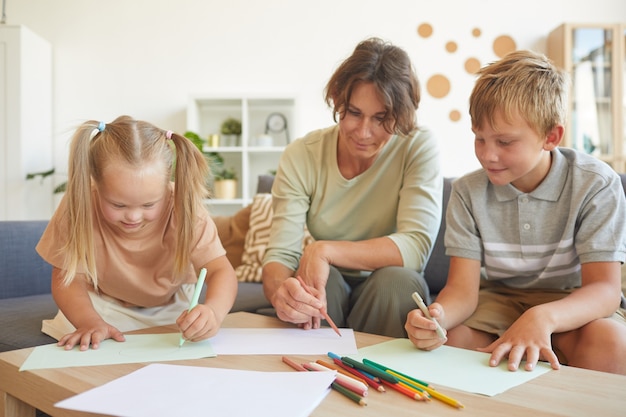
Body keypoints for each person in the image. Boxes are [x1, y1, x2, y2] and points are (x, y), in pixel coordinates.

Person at [405, 50, 626, 375]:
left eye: (505, 142)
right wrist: (436, 316)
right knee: (447, 342)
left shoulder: (596, 183)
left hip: (572, 301)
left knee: (611, 342)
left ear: (550, 137)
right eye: (480, 139)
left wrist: (541, 317)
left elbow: (605, 291)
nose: (488, 155)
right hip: (499, 300)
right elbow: (463, 292)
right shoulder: (467, 192)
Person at [261, 37, 443, 338]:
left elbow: (415, 247)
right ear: (336, 98)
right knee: (316, 283)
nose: (363, 132)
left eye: (381, 119)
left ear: (401, 115)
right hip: (327, 281)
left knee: (396, 282)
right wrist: (282, 292)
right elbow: (280, 256)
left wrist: (324, 250)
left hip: (390, 286)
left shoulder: (418, 146)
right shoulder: (301, 155)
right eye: (354, 112)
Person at [37, 116, 238, 351]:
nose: (133, 217)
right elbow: (67, 279)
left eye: (149, 205)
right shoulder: (78, 205)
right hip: (99, 307)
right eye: (118, 205)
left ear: (166, 188)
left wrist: (213, 311)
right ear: (96, 185)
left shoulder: (187, 208)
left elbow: (220, 270)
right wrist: (89, 322)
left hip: (172, 309)